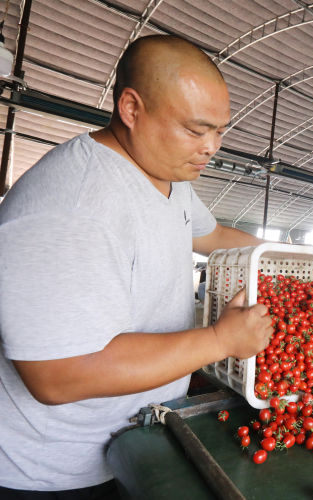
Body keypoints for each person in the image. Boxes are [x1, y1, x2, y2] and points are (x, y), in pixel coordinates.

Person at [0, 35, 275, 497]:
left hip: (132, 443)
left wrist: (306, 261)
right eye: (195, 129)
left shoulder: (168, 177)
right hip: (52, 474)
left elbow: (214, 237)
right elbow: (57, 375)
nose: (212, 147)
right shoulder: (72, 206)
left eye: (220, 130)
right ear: (131, 108)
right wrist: (219, 340)